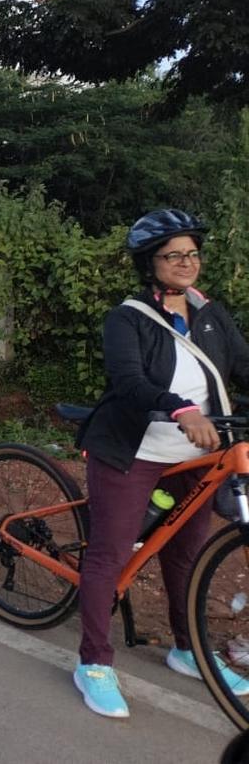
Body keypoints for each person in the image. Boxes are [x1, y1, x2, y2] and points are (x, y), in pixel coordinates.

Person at [72, 209, 249, 718]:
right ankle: (93, 662)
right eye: (174, 255)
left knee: (186, 555)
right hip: (135, 450)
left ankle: (187, 648)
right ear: (150, 263)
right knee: (110, 554)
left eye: (192, 254)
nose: (186, 262)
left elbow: (242, 365)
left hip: (199, 455)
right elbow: (129, 383)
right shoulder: (126, 318)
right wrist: (181, 409)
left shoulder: (210, 313)